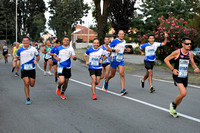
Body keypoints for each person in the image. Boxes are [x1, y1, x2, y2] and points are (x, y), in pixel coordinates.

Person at [164, 36, 200, 118]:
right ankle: (173, 104)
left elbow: (193, 63)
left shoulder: (190, 54)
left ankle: (174, 109)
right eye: (187, 44)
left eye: (190, 44)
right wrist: (172, 69)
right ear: (183, 44)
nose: (189, 45)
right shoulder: (177, 52)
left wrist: (196, 68)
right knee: (184, 93)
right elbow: (166, 59)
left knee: (182, 95)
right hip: (177, 75)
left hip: (185, 75)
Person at [102, 30, 130, 95]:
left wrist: (126, 49)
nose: (121, 35)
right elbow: (107, 48)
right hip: (114, 59)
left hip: (121, 59)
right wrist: (114, 50)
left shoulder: (124, 41)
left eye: (122, 34)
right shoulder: (115, 41)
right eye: (120, 34)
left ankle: (122, 89)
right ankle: (106, 80)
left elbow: (122, 48)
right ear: (118, 35)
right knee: (112, 75)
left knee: (122, 73)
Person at [14, 36, 40, 105]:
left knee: (32, 84)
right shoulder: (20, 50)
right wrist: (15, 59)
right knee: (26, 83)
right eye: (24, 41)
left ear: (29, 42)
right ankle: (28, 98)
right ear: (22, 42)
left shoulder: (33, 49)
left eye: (27, 40)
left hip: (32, 69)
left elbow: (38, 56)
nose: (25, 42)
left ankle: (28, 96)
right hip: (24, 69)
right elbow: (17, 57)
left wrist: (36, 60)